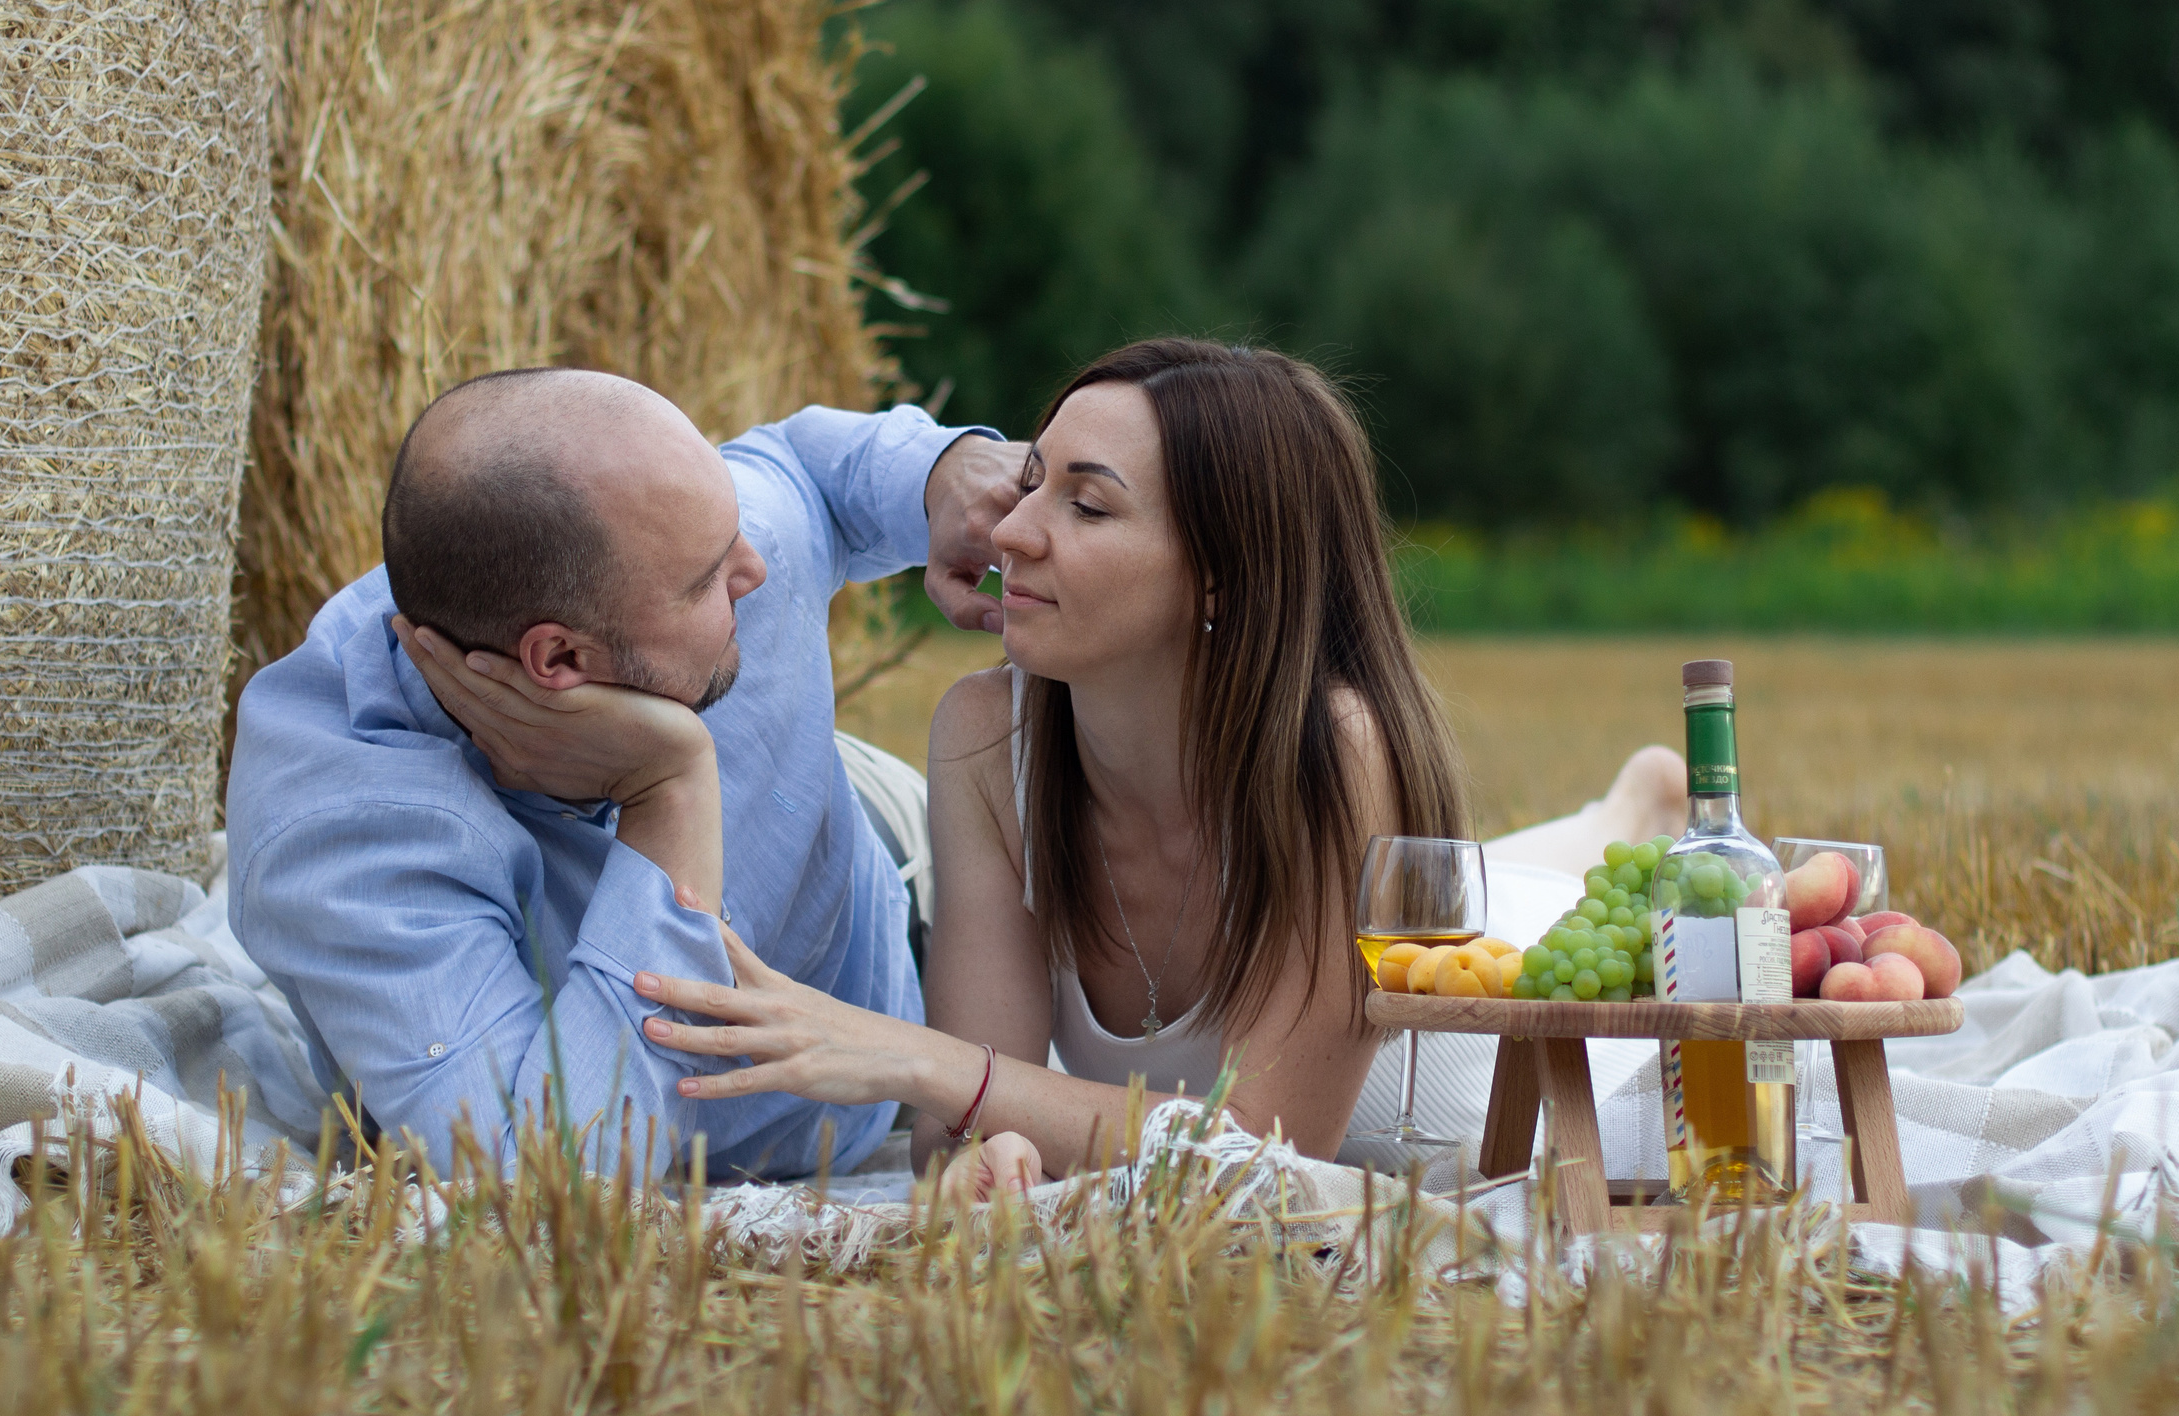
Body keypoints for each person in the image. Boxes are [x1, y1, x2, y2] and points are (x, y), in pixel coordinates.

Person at [620, 340, 1682, 1194]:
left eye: (1084, 506)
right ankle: (1618, 810)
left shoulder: (1337, 749)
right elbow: (968, 1122)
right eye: (1029, 481)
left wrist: (908, 1057)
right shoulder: (986, 737)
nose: (1011, 531)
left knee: (1518, 908)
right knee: (1460, 879)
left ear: (1219, 580)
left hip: (1517, 1094)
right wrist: (987, 1156)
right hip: (1306, 1000)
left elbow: (1261, 1155)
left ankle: (1626, 820)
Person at [225, 368, 1021, 1181]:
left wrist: (941, 469)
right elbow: (542, 1182)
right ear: (561, 658)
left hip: (904, 878)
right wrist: (667, 791)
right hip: (768, 1128)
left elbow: (806, 470)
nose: (755, 570)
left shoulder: (696, 541)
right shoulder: (344, 836)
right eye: (710, 578)